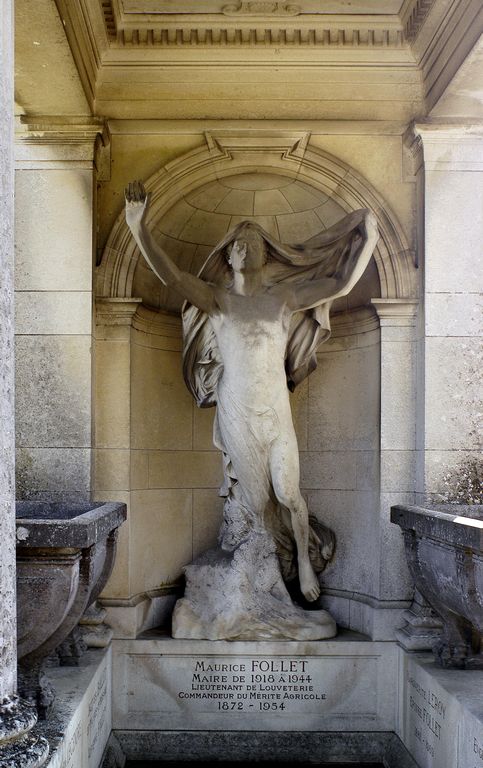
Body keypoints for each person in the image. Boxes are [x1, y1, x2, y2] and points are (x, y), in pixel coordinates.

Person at [125, 180, 379, 603]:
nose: (244, 248)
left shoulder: (285, 297)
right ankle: (257, 585)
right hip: (237, 409)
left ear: (266, 253)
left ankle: (300, 562)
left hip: (275, 409)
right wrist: (139, 227)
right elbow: (170, 275)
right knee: (256, 503)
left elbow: (340, 284)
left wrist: (368, 239)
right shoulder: (217, 300)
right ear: (228, 257)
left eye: (252, 242)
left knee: (289, 493)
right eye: (237, 245)